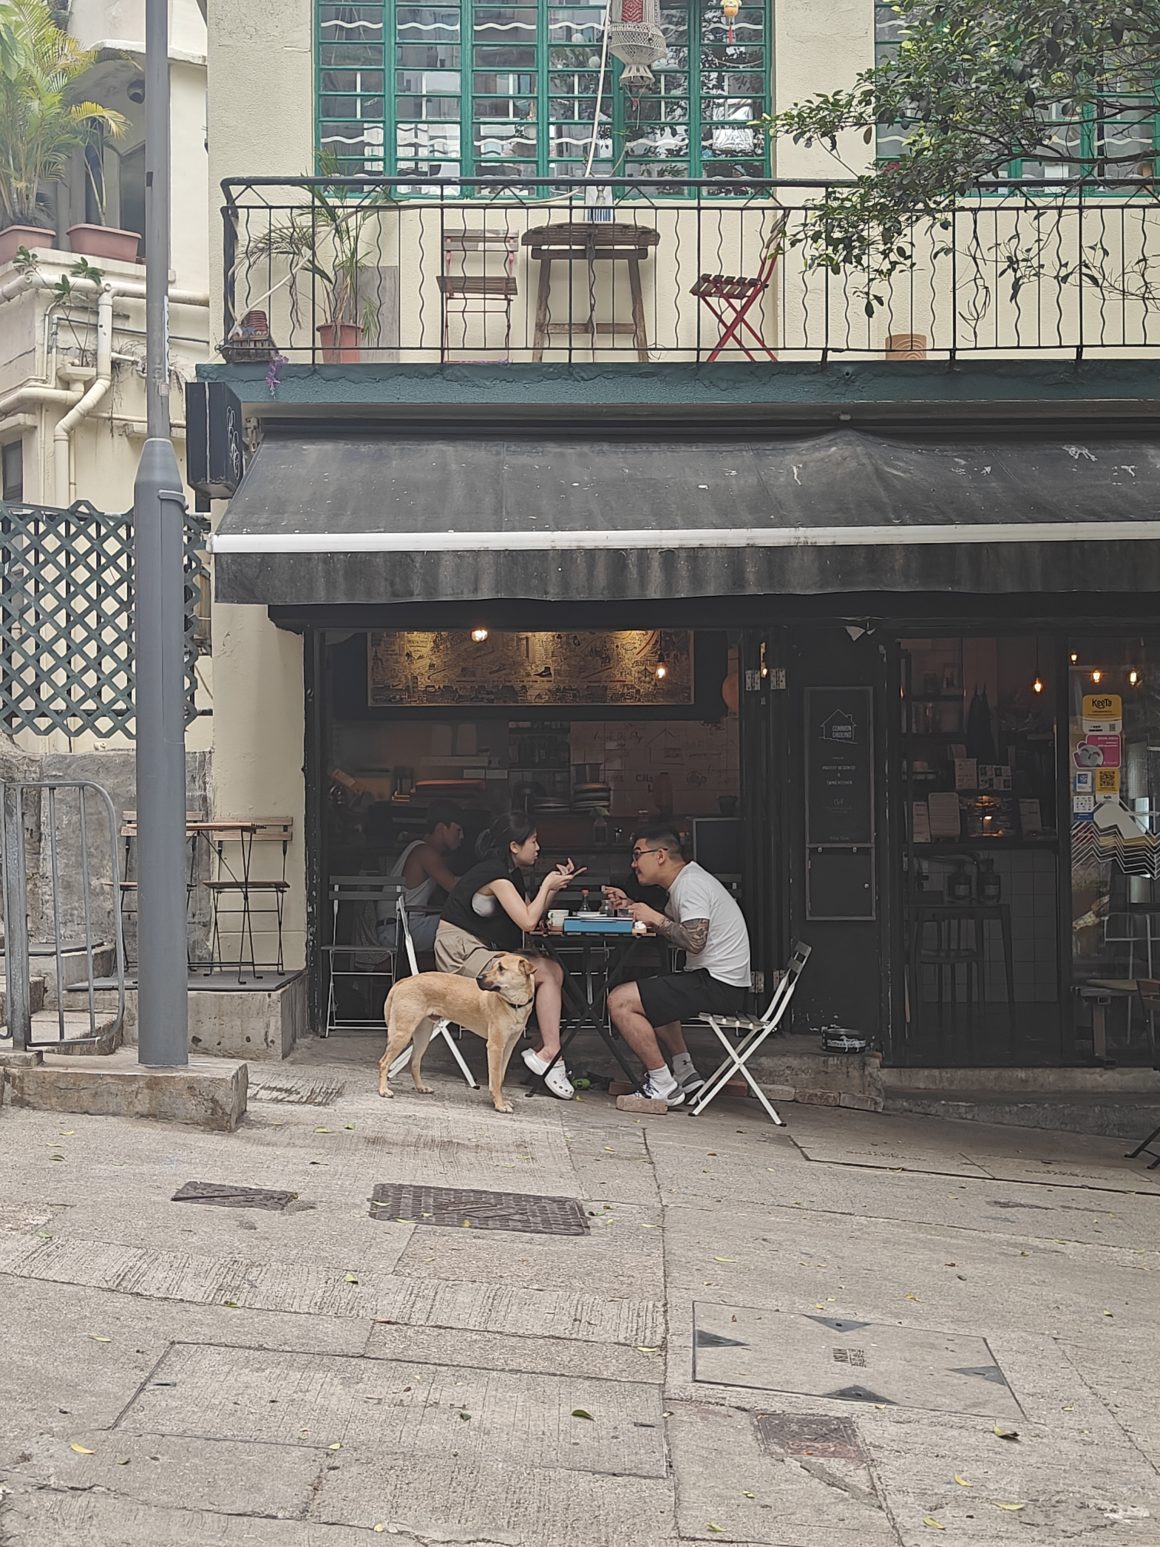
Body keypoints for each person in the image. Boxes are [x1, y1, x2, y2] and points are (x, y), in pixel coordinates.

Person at [435, 811, 584, 1100]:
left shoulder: (509, 874)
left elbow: (529, 913)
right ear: (514, 846)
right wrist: (546, 886)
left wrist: (553, 888)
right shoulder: (495, 874)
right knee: (543, 971)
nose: (538, 848)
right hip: (460, 951)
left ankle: (548, 1052)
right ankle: (551, 1055)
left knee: (552, 970)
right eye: (533, 841)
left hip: (481, 949)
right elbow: (528, 922)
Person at [605, 822, 750, 1108]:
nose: (633, 864)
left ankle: (662, 1085)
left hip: (718, 984)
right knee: (655, 991)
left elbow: (694, 940)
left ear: (660, 855)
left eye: (637, 855)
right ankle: (685, 1074)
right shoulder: (686, 882)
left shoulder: (691, 884)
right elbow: (674, 926)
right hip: (719, 981)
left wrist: (653, 917)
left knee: (620, 1000)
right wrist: (633, 905)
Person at [351, 801, 465, 967]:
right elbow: (455, 887)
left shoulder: (418, 848)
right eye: (458, 830)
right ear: (441, 828)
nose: (462, 837)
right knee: (464, 926)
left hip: (398, 927)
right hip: (398, 930)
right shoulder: (425, 852)